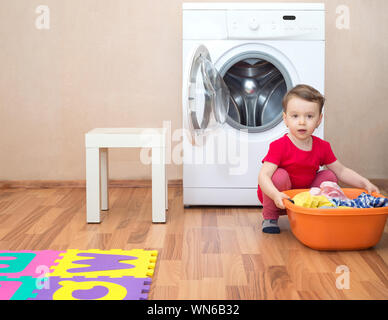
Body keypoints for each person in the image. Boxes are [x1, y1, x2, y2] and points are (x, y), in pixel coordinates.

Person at [257, 84, 379, 234]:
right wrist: (275, 194)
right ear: (285, 119)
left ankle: (317, 211)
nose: (302, 122)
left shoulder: (322, 146)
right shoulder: (279, 146)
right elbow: (264, 176)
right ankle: (270, 217)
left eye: (309, 116)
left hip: (306, 192)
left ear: (319, 120)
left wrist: (364, 182)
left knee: (329, 176)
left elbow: (341, 171)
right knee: (279, 175)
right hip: (278, 194)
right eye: (295, 116)